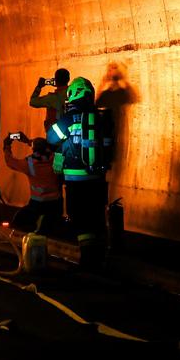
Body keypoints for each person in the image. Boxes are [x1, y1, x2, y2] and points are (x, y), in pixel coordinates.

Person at [46, 77, 115, 270]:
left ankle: (87, 262)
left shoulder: (70, 118)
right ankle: (100, 260)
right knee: (96, 217)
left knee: (81, 220)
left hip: (75, 180)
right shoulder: (100, 117)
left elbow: (51, 138)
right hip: (98, 178)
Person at [3, 132, 63, 235]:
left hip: (36, 205)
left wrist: (7, 145)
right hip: (55, 205)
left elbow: (9, 161)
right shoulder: (56, 159)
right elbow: (48, 148)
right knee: (50, 228)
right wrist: (29, 141)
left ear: (33, 149)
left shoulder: (29, 163)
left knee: (18, 222)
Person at [29, 67, 70, 132]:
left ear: (55, 80)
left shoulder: (52, 98)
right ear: (68, 79)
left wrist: (39, 86)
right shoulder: (73, 94)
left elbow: (32, 102)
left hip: (56, 136)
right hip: (71, 133)